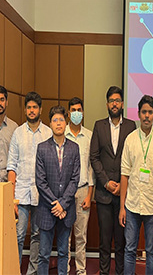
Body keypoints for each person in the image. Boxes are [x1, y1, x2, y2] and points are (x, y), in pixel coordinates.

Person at [119, 95, 153, 275]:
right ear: (138, 114)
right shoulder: (130, 139)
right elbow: (124, 174)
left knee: (151, 251)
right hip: (132, 205)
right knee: (130, 249)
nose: (147, 116)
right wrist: (122, 207)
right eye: (144, 112)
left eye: (150, 112)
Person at [90, 86, 136, 275]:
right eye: (111, 101)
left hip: (124, 194)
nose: (114, 104)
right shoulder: (99, 126)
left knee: (121, 241)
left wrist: (121, 186)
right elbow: (94, 157)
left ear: (123, 104)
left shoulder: (131, 126)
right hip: (104, 194)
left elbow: (133, 158)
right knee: (104, 240)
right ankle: (104, 272)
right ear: (107, 104)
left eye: (117, 100)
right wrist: (107, 182)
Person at [7, 92, 52, 274]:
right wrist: (11, 198)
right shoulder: (18, 133)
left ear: (40, 109)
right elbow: (11, 166)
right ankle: (15, 270)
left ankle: (32, 271)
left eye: (35, 107)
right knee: (17, 236)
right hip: (21, 194)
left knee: (37, 235)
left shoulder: (48, 133)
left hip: (41, 195)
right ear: (25, 110)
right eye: (29, 107)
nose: (32, 110)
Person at [36, 105, 80, 275]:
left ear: (66, 122)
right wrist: (56, 205)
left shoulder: (74, 148)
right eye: (55, 120)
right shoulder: (42, 148)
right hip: (47, 210)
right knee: (44, 255)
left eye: (61, 119)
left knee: (64, 253)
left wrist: (63, 204)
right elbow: (41, 181)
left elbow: (75, 179)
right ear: (50, 124)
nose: (58, 123)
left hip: (66, 210)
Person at [65, 97, 95, 275]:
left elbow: (91, 167)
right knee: (65, 235)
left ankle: (81, 270)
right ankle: (65, 268)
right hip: (65, 191)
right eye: (73, 110)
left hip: (83, 189)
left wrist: (90, 195)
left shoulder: (89, 136)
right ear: (68, 113)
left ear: (83, 113)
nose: (76, 113)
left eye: (79, 110)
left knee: (81, 235)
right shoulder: (62, 134)